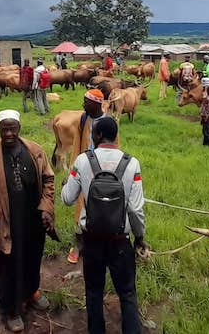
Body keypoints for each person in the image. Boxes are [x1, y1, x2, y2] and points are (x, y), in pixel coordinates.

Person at [61, 116, 149, 334]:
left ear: (97, 135)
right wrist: (140, 238)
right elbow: (136, 210)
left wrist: (68, 181)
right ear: (116, 136)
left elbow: (67, 199)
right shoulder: (132, 163)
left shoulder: (82, 161)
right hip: (120, 242)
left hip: (92, 241)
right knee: (127, 294)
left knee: (93, 292)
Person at [0, 109, 55, 332]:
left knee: (33, 257)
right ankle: (11, 309)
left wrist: (46, 207)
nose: (9, 133)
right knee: (7, 265)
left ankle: (32, 292)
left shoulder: (35, 150)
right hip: (5, 222)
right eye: (4, 129)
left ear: (19, 128)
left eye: (13, 128)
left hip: (33, 219)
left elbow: (48, 179)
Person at [66, 89, 108, 264]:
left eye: (86, 102)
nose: (83, 104)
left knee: (102, 207)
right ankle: (79, 243)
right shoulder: (83, 119)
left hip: (102, 173)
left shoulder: (108, 122)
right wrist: (72, 170)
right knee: (81, 206)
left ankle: (99, 243)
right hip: (84, 168)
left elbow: (115, 147)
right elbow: (76, 145)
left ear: (97, 104)